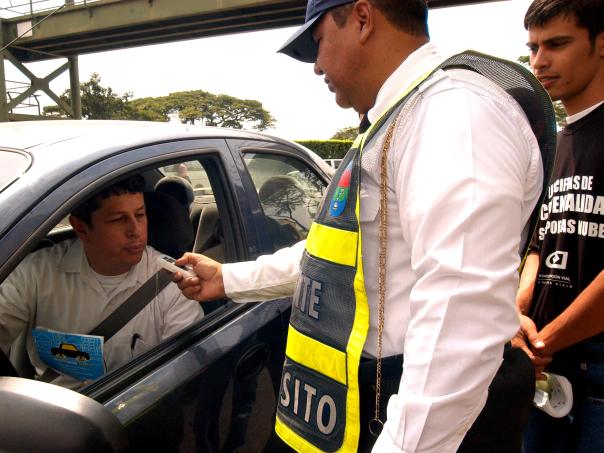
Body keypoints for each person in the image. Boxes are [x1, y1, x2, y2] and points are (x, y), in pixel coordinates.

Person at [176, 1, 552, 451]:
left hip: (416, 417)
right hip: (372, 401)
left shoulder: (454, 115)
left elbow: (460, 319)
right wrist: (228, 278)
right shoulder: (399, 119)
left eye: (318, 42)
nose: (317, 67)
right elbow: (336, 255)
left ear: (362, 18)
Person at [0, 176, 204, 389]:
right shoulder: (33, 274)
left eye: (140, 215)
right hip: (52, 405)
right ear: (81, 228)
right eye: (118, 219)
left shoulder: (175, 283)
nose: (135, 230)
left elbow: (180, 376)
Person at [515, 1, 604, 451]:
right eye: (533, 47)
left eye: (557, 44)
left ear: (601, 43)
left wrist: (544, 340)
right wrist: (517, 316)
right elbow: (540, 245)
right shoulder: (554, 143)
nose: (539, 61)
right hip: (545, 364)